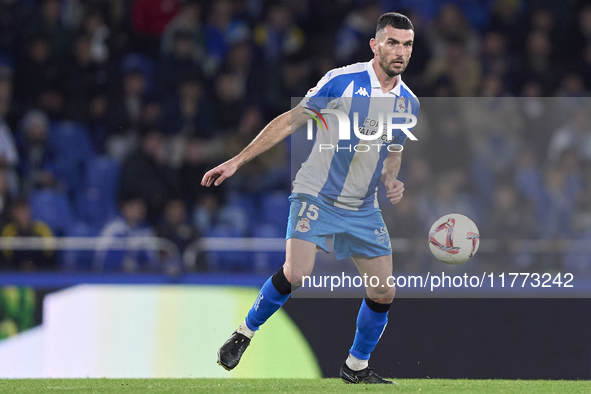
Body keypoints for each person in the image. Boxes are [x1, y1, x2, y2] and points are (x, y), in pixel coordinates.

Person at [202, 12, 419, 384]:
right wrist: (238, 161)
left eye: (407, 44)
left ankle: (355, 367)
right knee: (297, 274)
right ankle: (244, 333)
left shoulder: (407, 103)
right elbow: (290, 120)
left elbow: (394, 150)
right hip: (316, 195)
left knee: (384, 290)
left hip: (362, 207)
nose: (400, 51)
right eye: (393, 42)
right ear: (375, 45)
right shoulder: (342, 81)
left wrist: (392, 180)